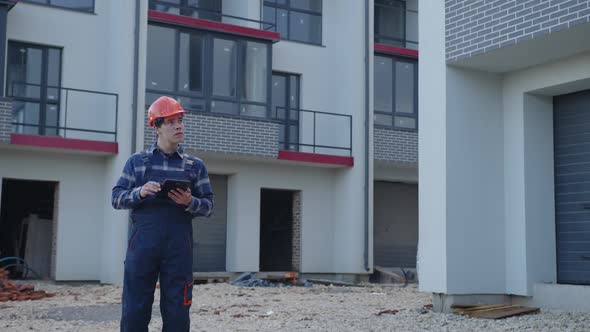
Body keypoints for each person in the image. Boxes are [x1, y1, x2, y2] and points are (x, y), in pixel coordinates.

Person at [112, 96, 214, 331]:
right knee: (135, 310)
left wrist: (190, 202)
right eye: (170, 122)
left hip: (179, 248)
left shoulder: (195, 166)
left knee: (178, 310)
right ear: (156, 127)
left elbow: (209, 206)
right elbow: (116, 198)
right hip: (143, 247)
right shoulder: (137, 163)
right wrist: (139, 192)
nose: (178, 126)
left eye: (180, 120)